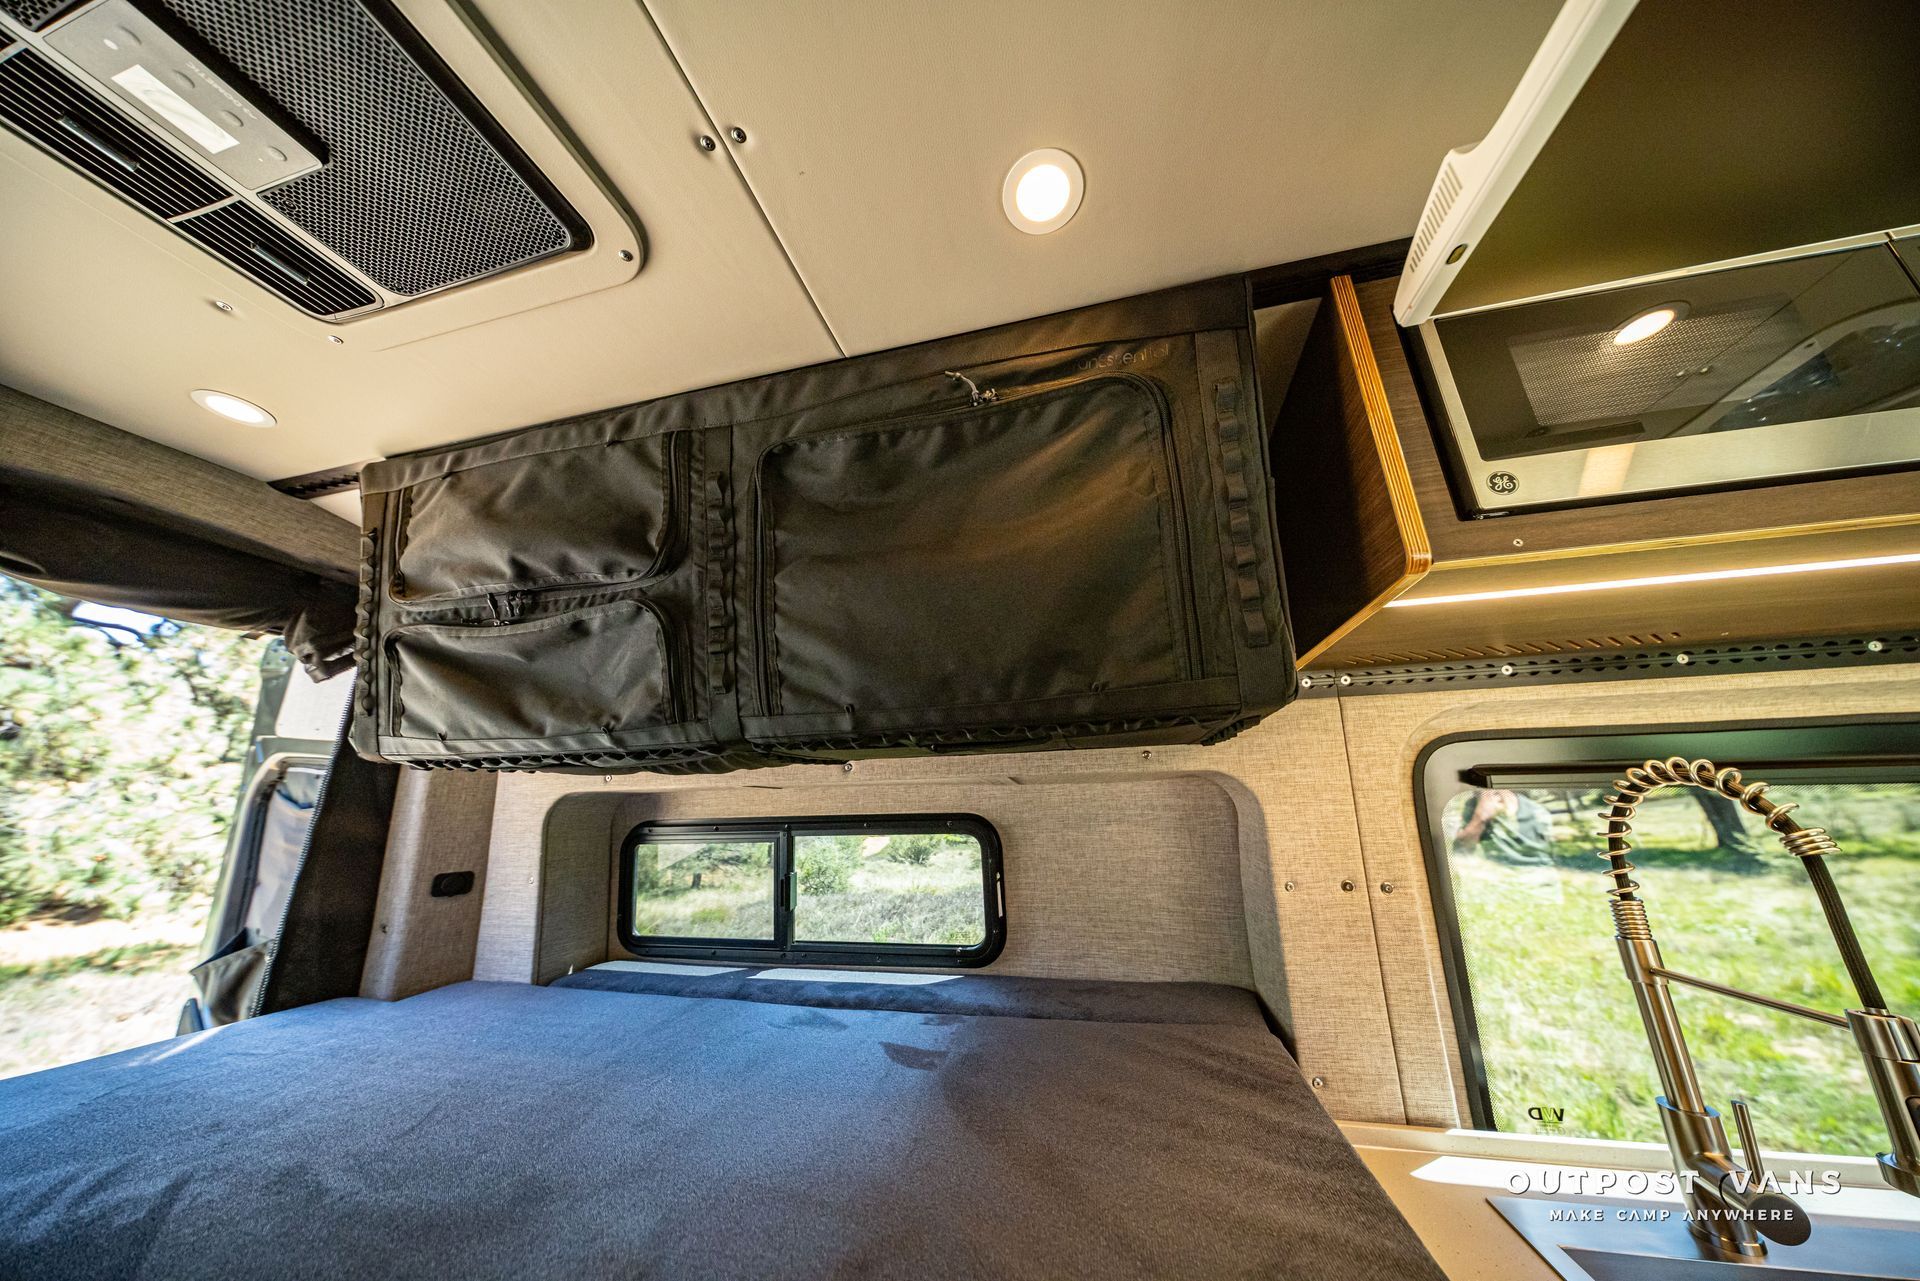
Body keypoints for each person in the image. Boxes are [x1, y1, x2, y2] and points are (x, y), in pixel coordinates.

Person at [1453, 788, 1554, 861]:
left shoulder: (1536, 812)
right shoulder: (1472, 807)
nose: (1488, 797)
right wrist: (1479, 819)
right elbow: (1461, 854)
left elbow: (1543, 857)